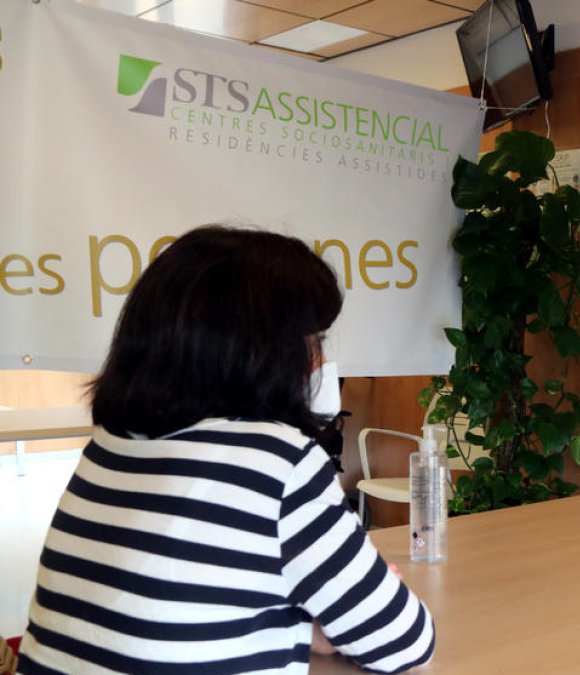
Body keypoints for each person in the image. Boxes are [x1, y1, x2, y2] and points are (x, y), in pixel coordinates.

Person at [19, 226, 434, 674]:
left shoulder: (112, 444)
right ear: (258, 353)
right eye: (313, 342)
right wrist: (326, 626)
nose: (318, 362)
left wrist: (303, 632)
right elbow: (404, 642)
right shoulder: (277, 463)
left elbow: (182, 611)